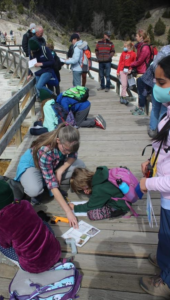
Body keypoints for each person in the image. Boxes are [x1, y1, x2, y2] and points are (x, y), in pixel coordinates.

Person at [139, 55, 170, 299]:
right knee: (165, 235)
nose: (156, 90)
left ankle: (167, 282)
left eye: (161, 83)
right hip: (166, 198)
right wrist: (151, 164)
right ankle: (163, 260)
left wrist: (147, 183)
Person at [14, 123, 85, 228]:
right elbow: (52, 184)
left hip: (52, 164)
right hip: (33, 165)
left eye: (70, 150)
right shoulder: (46, 151)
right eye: (65, 150)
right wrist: (68, 212)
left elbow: (73, 156)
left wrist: (60, 170)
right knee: (34, 190)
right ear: (58, 141)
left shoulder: (70, 142)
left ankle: (48, 179)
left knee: (80, 165)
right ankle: (32, 186)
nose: (67, 153)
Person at [0, 179, 61, 272]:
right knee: (42, 222)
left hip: (35, 266)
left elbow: (5, 245)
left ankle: (13, 262)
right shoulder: (26, 204)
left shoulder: (0, 225)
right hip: (55, 252)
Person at [139, 45, 170, 137]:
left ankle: (153, 129)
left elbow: (154, 66)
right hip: (166, 85)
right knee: (164, 109)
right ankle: (161, 130)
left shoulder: (164, 49)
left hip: (156, 83)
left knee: (155, 108)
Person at [130, 29, 152, 116]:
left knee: (142, 91)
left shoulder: (145, 48)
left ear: (141, 37)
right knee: (140, 91)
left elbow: (140, 60)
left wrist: (131, 65)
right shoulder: (141, 46)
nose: (136, 37)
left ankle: (141, 108)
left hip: (143, 72)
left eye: (137, 36)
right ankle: (140, 107)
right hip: (141, 71)